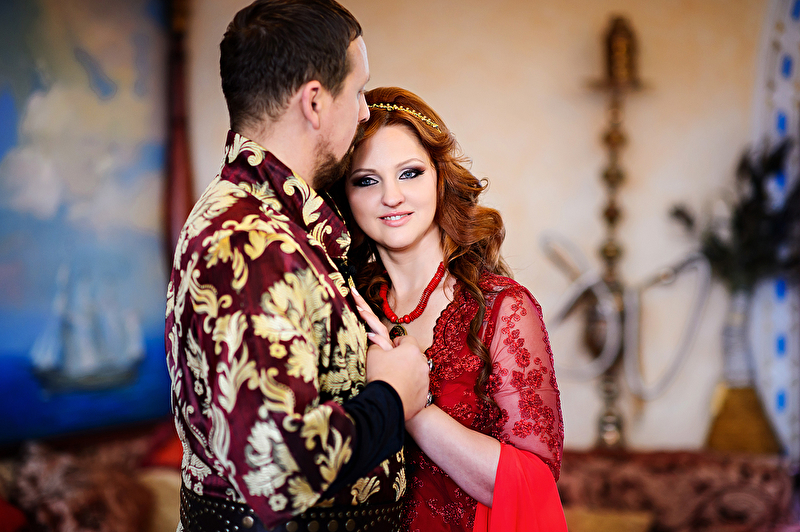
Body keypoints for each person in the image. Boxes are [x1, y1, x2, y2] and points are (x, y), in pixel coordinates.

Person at [164, 3, 430, 532]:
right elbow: (275, 471)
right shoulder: (247, 240)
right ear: (314, 102)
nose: (363, 112)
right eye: (358, 92)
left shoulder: (277, 220)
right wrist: (392, 396)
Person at [335, 87, 567, 531]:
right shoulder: (343, 305)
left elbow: (532, 483)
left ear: (440, 178)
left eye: (409, 173)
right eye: (366, 180)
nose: (391, 196)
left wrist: (411, 403)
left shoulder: (503, 308)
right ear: (345, 195)